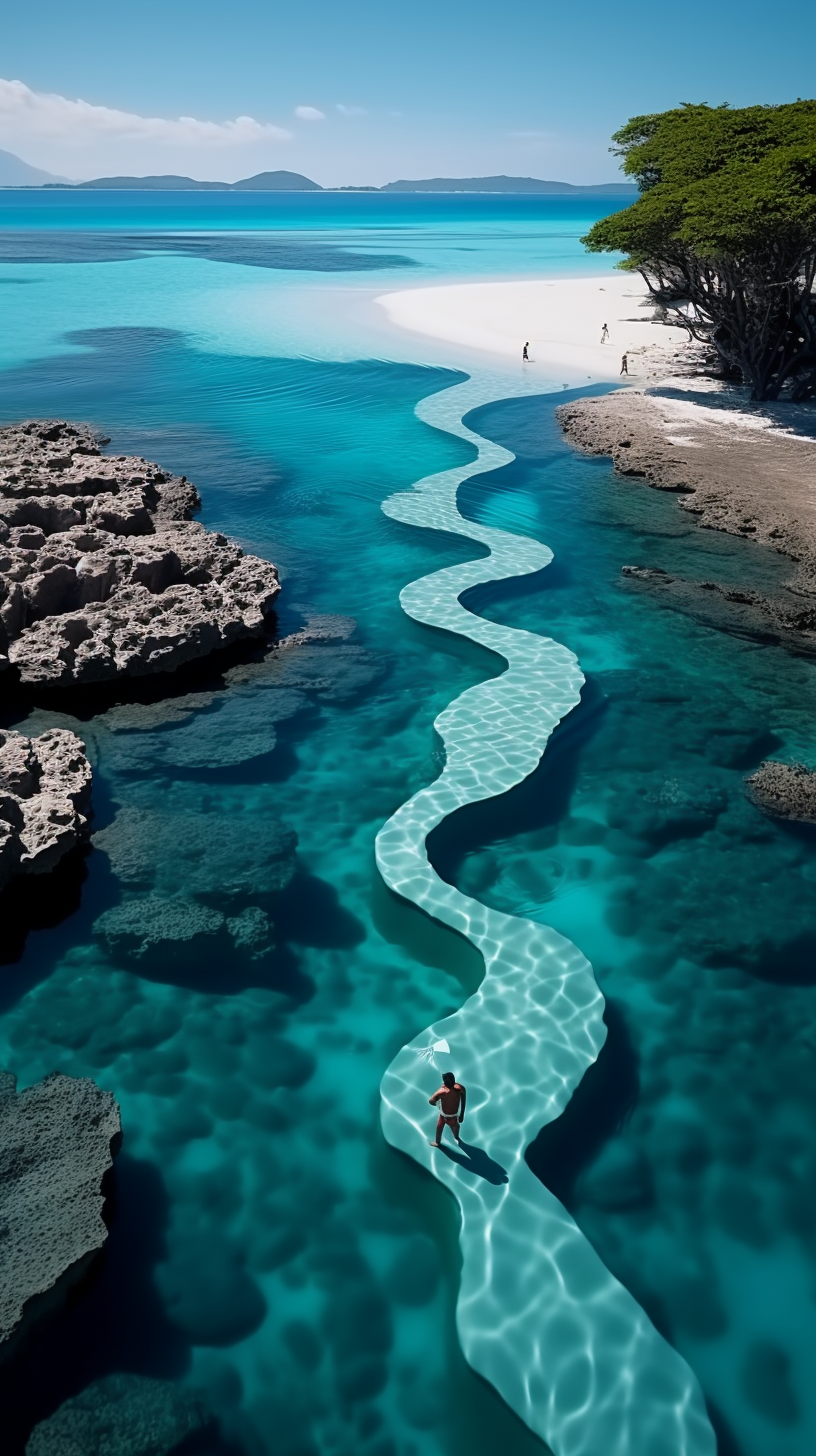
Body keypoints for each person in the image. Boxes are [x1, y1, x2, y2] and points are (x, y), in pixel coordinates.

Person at [429, 1071, 466, 1147]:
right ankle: (456, 1137)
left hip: (443, 1115)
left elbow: (431, 1101)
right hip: (452, 1116)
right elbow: (463, 1101)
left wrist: (437, 1103)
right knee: (455, 1127)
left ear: (444, 1082)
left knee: (439, 1128)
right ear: (454, 1080)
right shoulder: (460, 1088)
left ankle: (437, 1143)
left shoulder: (442, 1091)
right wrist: (462, 1114)